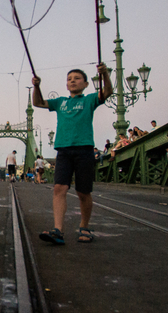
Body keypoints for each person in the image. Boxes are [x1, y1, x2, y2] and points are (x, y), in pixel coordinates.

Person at [32, 63, 113, 245]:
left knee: (83, 192)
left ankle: (84, 226)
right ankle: (58, 230)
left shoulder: (90, 99)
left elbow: (108, 91)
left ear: (85, 84)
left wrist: (105, 74)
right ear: (66, 85)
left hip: (84, 149)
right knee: (59, 188)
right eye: (69, 79)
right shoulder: (60, 102)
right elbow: (37, 102)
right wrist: (36, 86)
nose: (72, 81)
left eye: (77, 78)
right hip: (63, 150)